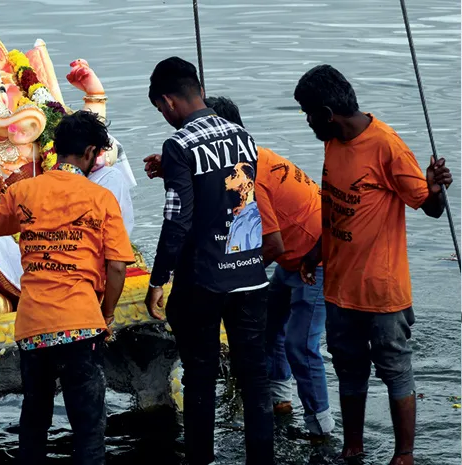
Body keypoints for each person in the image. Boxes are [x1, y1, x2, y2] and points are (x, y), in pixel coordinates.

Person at [294, 64, 453, 465]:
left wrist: (435, 188)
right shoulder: (332, 142)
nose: (308, 121)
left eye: (309, 114)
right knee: (349, 370)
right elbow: (334, 210)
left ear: (328, 113)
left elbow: (430, 208)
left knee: (395, 368)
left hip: (382, 291)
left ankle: (404, 455)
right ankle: (353, 447)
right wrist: (315, 254)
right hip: (339, 288)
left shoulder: (386, 145)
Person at [0, 110, 135, 464]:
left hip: (34, 326)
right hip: (81, 323)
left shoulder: (24, 191)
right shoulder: (100, 198)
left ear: (55, 150)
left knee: (35, 420)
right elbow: (117, 266)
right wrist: (105, 314)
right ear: (90, 152)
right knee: (89, 428)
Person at [143, 57, 274, 465]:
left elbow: (178, 217)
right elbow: (230, 195)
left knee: (200, 380)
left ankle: (200, 460)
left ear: (168, 100)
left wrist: (158, 278)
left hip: (203, 280)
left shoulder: (179, 144)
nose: (165, 118)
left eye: (161, 110)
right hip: (250, 275)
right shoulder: (243, 135)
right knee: (255, 380)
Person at [204, 95, 334, 437]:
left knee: (301, 345)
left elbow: (271, 246)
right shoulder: (249, 157)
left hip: (318, 258)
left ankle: (321, 429)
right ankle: (280, 400)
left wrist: (231, 273)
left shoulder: (249, 177)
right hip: (294, 256)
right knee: (271, 327)